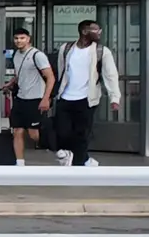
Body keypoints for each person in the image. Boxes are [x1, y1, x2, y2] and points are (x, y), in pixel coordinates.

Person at [51, 18, 123, 168]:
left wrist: (114, 98)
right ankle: (81, 159)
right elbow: (61, 70)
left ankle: (79, 164)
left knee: (82, 134)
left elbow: (111, 75)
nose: (99, 33)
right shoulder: (66, 48)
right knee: (62, 131)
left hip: (87, 99)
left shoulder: (102, 51)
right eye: (96, 30)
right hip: (65, 96)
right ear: (84, 32)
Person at [6, 28, 53, 164]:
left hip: (35, 99)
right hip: (21, 98)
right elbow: (19, 74)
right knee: (17, 131)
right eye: (16, 38)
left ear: (28, 39)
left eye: (22, 38)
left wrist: (45, 98)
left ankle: (60, 149)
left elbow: (50, 77)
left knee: (34, 134)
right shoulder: (16, 55)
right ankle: (19, 163)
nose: (19, 41)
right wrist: (10, 83)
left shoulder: (37, 55)